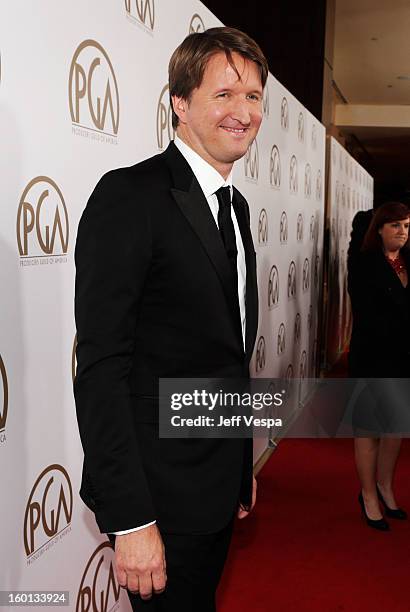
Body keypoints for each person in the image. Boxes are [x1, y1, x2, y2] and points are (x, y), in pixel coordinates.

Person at [74, 27, 268, 611]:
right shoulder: (130, 196)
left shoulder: (236, 207)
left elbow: (225, 355)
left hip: (214, 485)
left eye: (254, 97)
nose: (243, 112)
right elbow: (103, 367)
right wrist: (131, 519)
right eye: (225, 94)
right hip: (156, 500)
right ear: (180, 103)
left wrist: (238, 463)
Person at [348, 201, 410, 531]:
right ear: (381, 229)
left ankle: (386, 488)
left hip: (403, 358)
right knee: (369, 430)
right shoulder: (363, 264)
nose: (403, 232)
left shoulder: (409, 262)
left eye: (407, 226)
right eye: (396, 225)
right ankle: (368, 494)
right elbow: (368, 315)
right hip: (373, 357)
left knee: (396, 429)